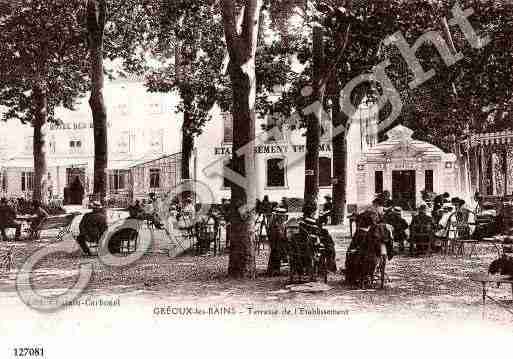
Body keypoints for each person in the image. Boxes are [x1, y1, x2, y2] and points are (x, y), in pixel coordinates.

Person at [345, 211, 381, 287]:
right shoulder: (375, 232)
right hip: (373, 258)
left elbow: (356, 247)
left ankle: (354, 277)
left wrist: (355, 250)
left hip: (363, 258)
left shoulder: (360, 233)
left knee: (352, 256)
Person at [267, 207, 288, 276]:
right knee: (275, 255)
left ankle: (275, 270)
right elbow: (275, 234)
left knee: (277, 255)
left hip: (279, 242)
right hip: (276, 242)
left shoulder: (281, 223)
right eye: (281, 216)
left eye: (283, 216)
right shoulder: (275, 224)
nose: (283, 217)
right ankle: (273, 270)